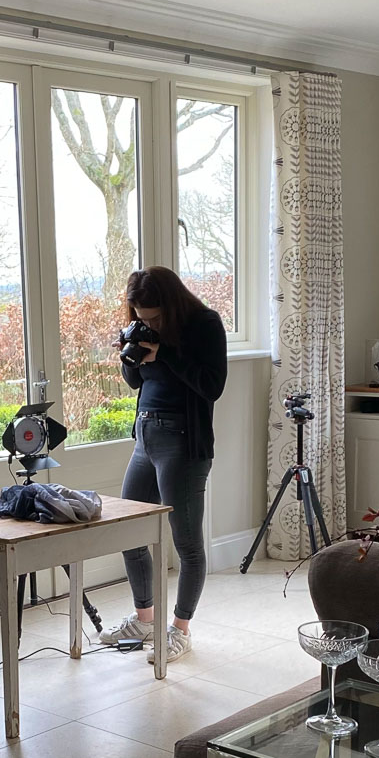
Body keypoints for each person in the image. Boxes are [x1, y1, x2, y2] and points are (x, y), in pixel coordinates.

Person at [98, 266, 227, 662]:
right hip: (146, 436)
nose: (149, 324)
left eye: (154, 318)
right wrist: (130, 353)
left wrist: (165, 353)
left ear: (170, 304)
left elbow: (212, 386)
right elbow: (137, 381)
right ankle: (145, 621)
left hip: (183, 442)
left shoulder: (205, 324)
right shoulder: (144, 327)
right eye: (142, 317)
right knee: (129, 530)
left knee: (186, 543)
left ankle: (180, 630)